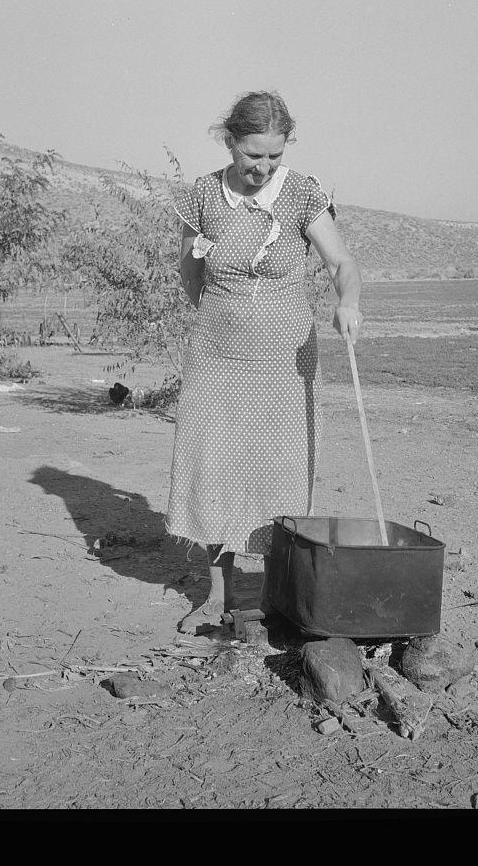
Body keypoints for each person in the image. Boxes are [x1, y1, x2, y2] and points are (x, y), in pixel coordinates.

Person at [166, 91, 362, 633]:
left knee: (281, 465)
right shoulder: (203, 195)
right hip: (217, 354)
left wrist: (348, 302)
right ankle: (216, 593)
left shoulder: (302, 194)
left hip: (284, 355)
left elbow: (341, 261)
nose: (263, 167)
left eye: (274, 156)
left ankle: (279, 591)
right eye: (253, 156)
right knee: (214, 463)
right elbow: (190, 275)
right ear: (230, 143)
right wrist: (225, 315)